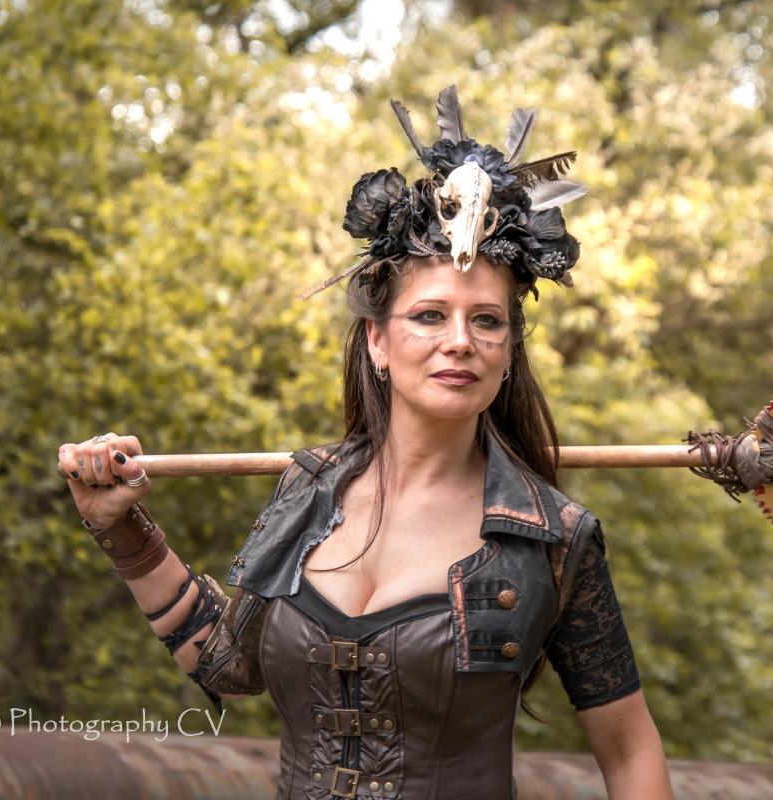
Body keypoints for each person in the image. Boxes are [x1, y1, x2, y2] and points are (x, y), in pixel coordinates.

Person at [57, 86, 673, 799]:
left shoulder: (553, 541)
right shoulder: (308, 490)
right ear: (378, 341)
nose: (459, 342)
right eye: (430, 315)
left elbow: (630, 751)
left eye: (487, 321)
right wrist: (121, 531)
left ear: (508, 350)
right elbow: (226, 665)